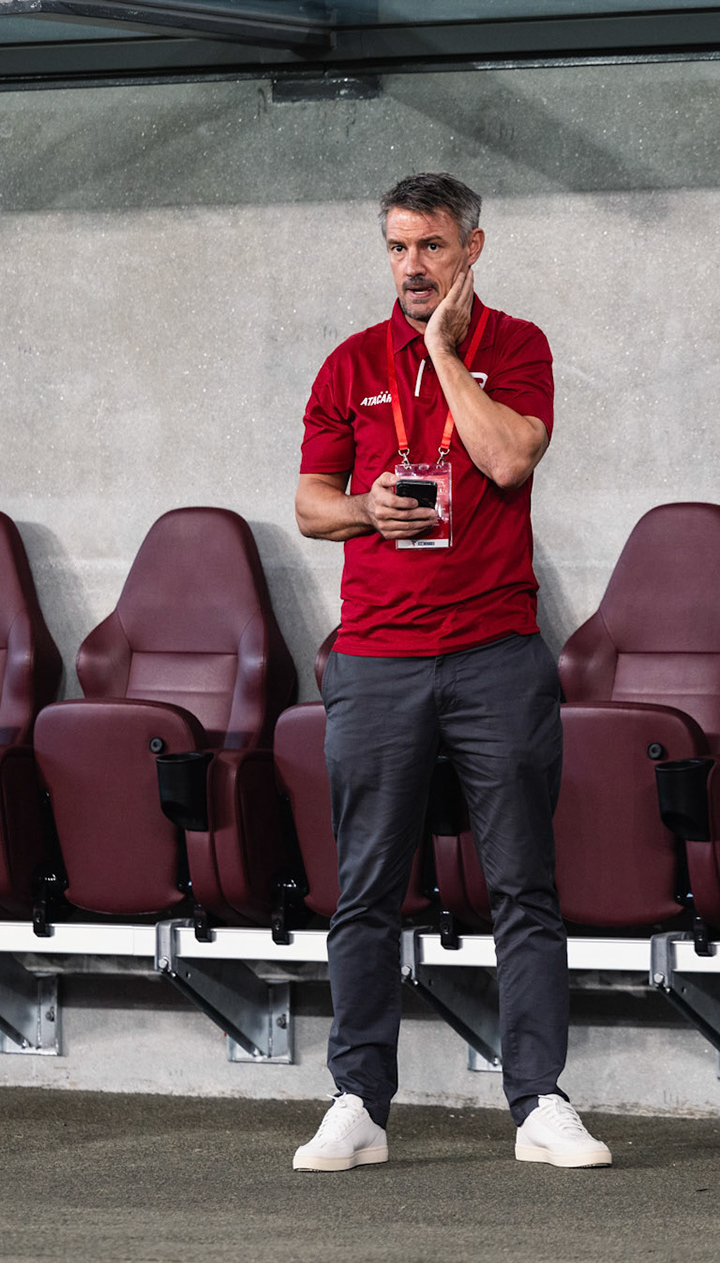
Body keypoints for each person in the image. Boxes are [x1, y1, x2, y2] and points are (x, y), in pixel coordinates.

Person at [290, 173, 611, 1172]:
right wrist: (365, 511)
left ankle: (539, 1101)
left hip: (492, 654)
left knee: (522, 883)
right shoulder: (349, 363)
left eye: (431, 246)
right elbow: (308, 502)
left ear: (472, 249)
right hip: (378, 656)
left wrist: (440, 353)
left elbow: (510, 458)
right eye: (397, 247)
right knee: (367, 889)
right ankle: (357, 1098)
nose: (412, 265)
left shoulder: (517, 347)